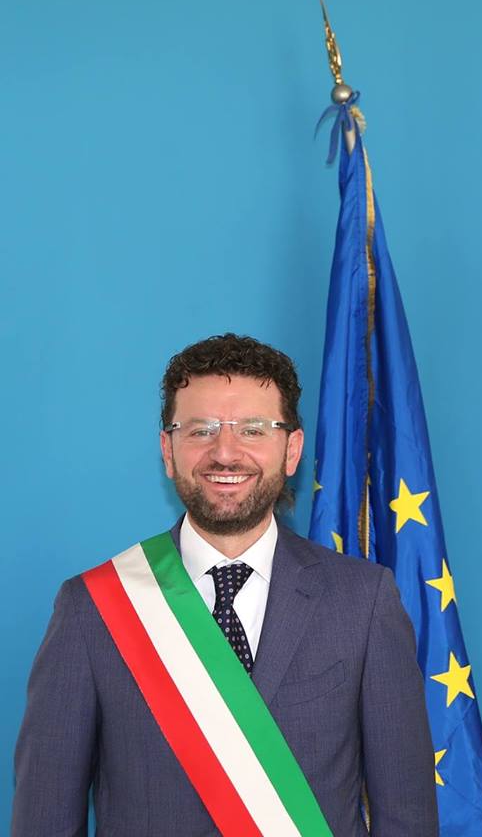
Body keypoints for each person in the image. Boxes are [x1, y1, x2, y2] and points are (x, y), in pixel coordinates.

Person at [12, 333, 439, 836]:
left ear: (292, 450)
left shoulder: (363, 602)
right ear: (168, 450)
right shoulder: (93, 608)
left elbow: (406, 815)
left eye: (253, 430)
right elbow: (44, 819)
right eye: (201, 430)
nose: (225, 452)